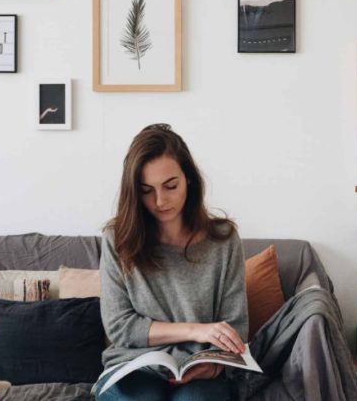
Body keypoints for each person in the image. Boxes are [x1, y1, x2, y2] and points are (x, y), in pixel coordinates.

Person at [94, 123, 248, 401]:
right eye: (146, 190)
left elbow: (234, 326)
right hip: (132, 365)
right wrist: (195, 330)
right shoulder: (117, 239)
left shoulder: (224, 240)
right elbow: (120, 326)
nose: (160, 200)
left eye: (170, 186)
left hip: (201, 368)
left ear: (189, 178)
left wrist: (213, 366)